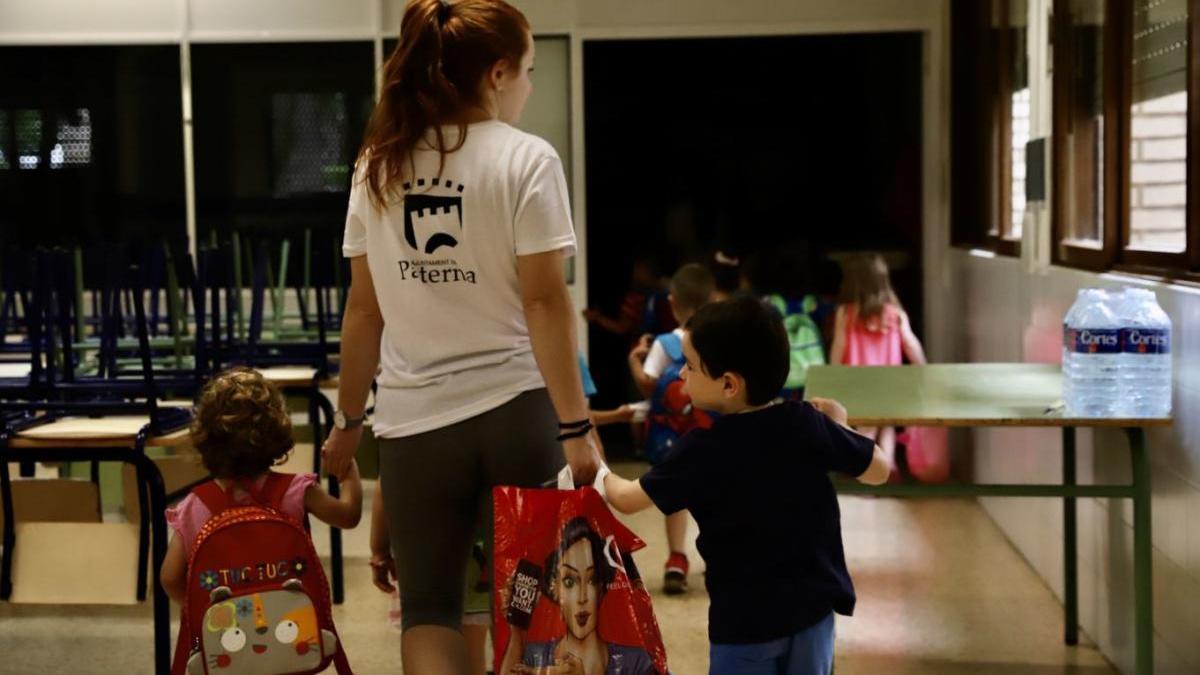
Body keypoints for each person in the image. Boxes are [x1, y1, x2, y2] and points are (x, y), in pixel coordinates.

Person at [323, 1, 603, 671]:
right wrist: (576, 426)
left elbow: (364, 312)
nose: (529, 87)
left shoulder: (377, 165)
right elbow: (544, 300)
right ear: (498, 72)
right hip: (517, 409)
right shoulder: (527, 159)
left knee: (430, 608)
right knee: (534, 603)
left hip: (415, 422)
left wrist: (349, 421)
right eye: (528, 72)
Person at [598, 296, 891, 675]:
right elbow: (879, 470)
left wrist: (597, 469)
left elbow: (625, 498)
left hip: (744, 626)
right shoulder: (806, 422)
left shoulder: (700, 450)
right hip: (813, 616)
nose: (682, 375)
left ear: (729, 384)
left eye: (689, 365)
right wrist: (841, 424)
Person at [160, 368, 364, 604]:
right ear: (278, 431)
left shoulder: (195, 505)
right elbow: (349, 516)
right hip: (294, 624)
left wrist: (197, 610)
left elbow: (170, 578)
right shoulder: (296, 491)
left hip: (223, 632)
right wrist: (348, 469)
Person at [627, 262, 715, 595]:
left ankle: (677, 558)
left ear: (672, 301)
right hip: (711, 435)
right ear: (713, 300)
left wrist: (634, 361)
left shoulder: (665, 343)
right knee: (711, 495)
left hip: (674, 439)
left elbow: (649, 387)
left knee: (676, 497)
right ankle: (715, 557)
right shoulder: (717, 340)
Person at [499, 517, 654, 675]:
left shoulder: (637, 664)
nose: (582, 598)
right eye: (569, 581)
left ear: (602, 588)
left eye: (592, 580)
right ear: (554, 588)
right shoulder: (533, 657)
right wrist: (516, 629)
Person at [829, 254, 926, 479]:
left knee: (865, 428)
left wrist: (833, 372)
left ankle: (864, 470)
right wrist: (923, 367)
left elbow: (839, 344)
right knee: (887, 426)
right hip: (890, 382)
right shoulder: (894, 313)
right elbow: (910, 343)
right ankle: (889, 467)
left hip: (859, 383)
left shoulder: (846, 312)